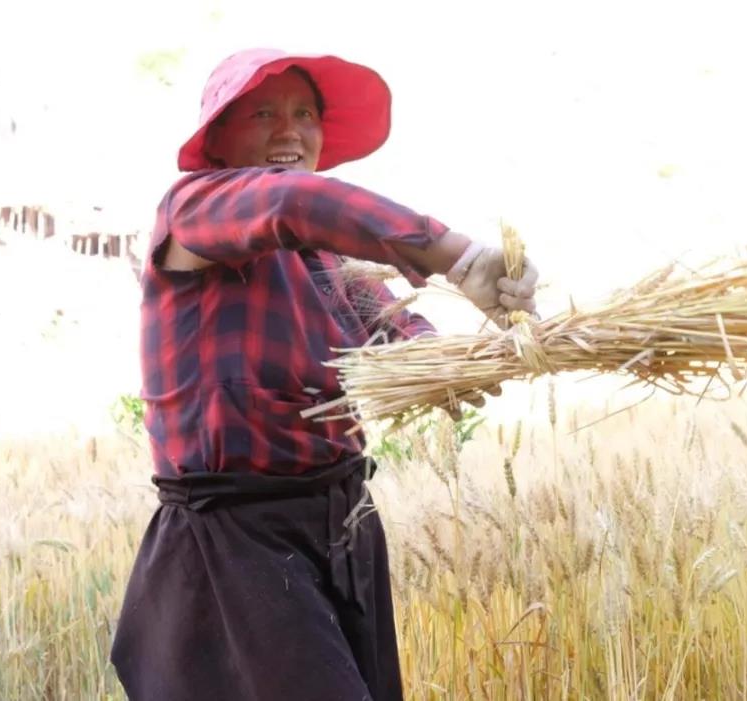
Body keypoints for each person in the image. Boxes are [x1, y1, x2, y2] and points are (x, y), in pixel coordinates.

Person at [110, 48, 539, 700]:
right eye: (263, 114)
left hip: (342, 526)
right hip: (236, 539)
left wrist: (463, 359)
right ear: (217, 138)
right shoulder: (193, 210)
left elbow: (394, 327)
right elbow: (288, 201)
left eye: (305, 114)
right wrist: (457, 256)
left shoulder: (329, 257)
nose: (290, 131)